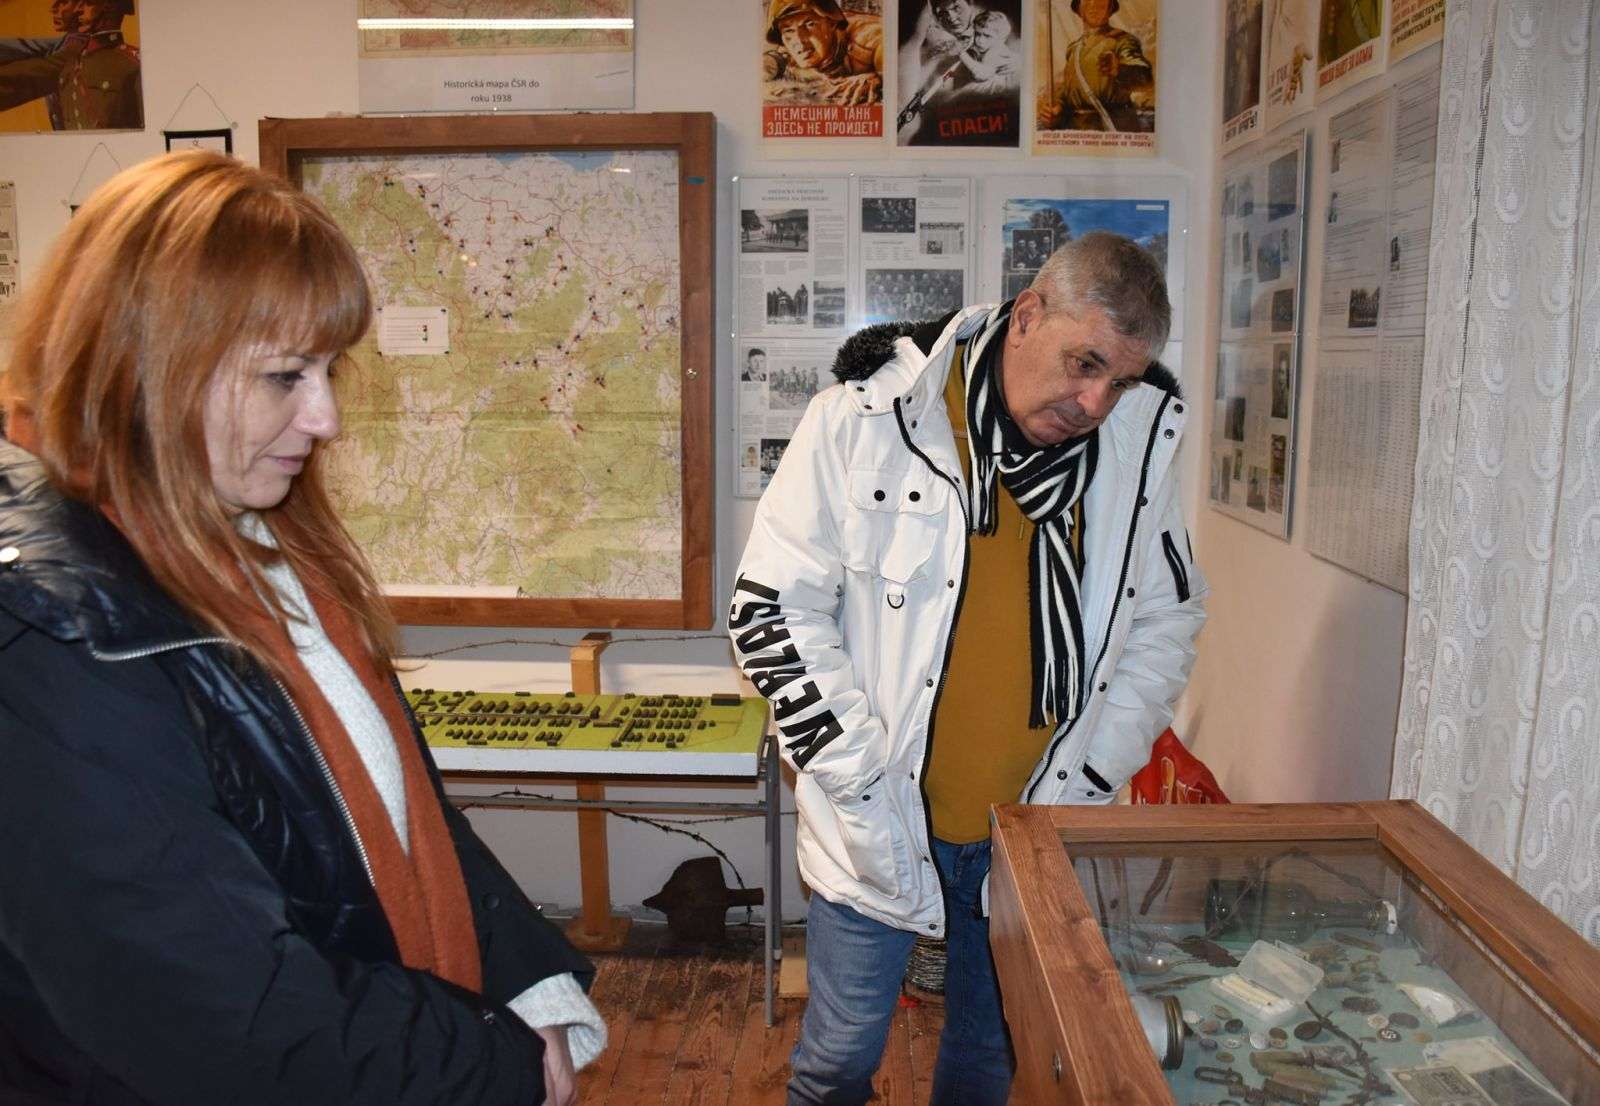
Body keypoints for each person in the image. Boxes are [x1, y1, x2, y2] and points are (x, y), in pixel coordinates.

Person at [0, 151, 604, 1105]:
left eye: (329, 370)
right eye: (285, 376)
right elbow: (220, 1015)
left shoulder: (266, 544)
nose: (324, 418)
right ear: (147, 366)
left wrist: (529, 987)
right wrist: (494, 1063)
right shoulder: (55, 638)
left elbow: (405, 813)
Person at [729, 231, 1206, 1106]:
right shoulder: (864, 420)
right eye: (1085, 363)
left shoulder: (1137, 450)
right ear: (1028, 316)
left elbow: (1165, 615)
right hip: (877, 817)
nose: (1095, 402)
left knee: (989, 1061)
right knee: (837, 1061)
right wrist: (855, 773)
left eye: (1121, 381)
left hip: (1032, 829)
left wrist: (1100, 768)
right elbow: (769, 609)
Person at [0, 0, 141, 130]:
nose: (79, 9)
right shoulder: (70, 48)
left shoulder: (131, 62)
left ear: (108, 7)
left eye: (88, 3)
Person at [1039, 0, 1154, 133]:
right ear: (1079, 8)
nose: (1093, 5)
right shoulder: (1073, 48)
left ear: (1110, 7)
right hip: (1076, 130)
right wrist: (1057, 109)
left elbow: (1146, 79)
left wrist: (1119, 69)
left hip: (1112, 127)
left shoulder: (1123, 41)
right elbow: (1070, 90)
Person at [763, 0, 883, 107]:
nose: (799, 40)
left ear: (832, 23)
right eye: (789, 30)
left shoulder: (869, 38)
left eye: (810, 24)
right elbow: (772, 61)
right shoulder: (789, 50)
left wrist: (879, 78)